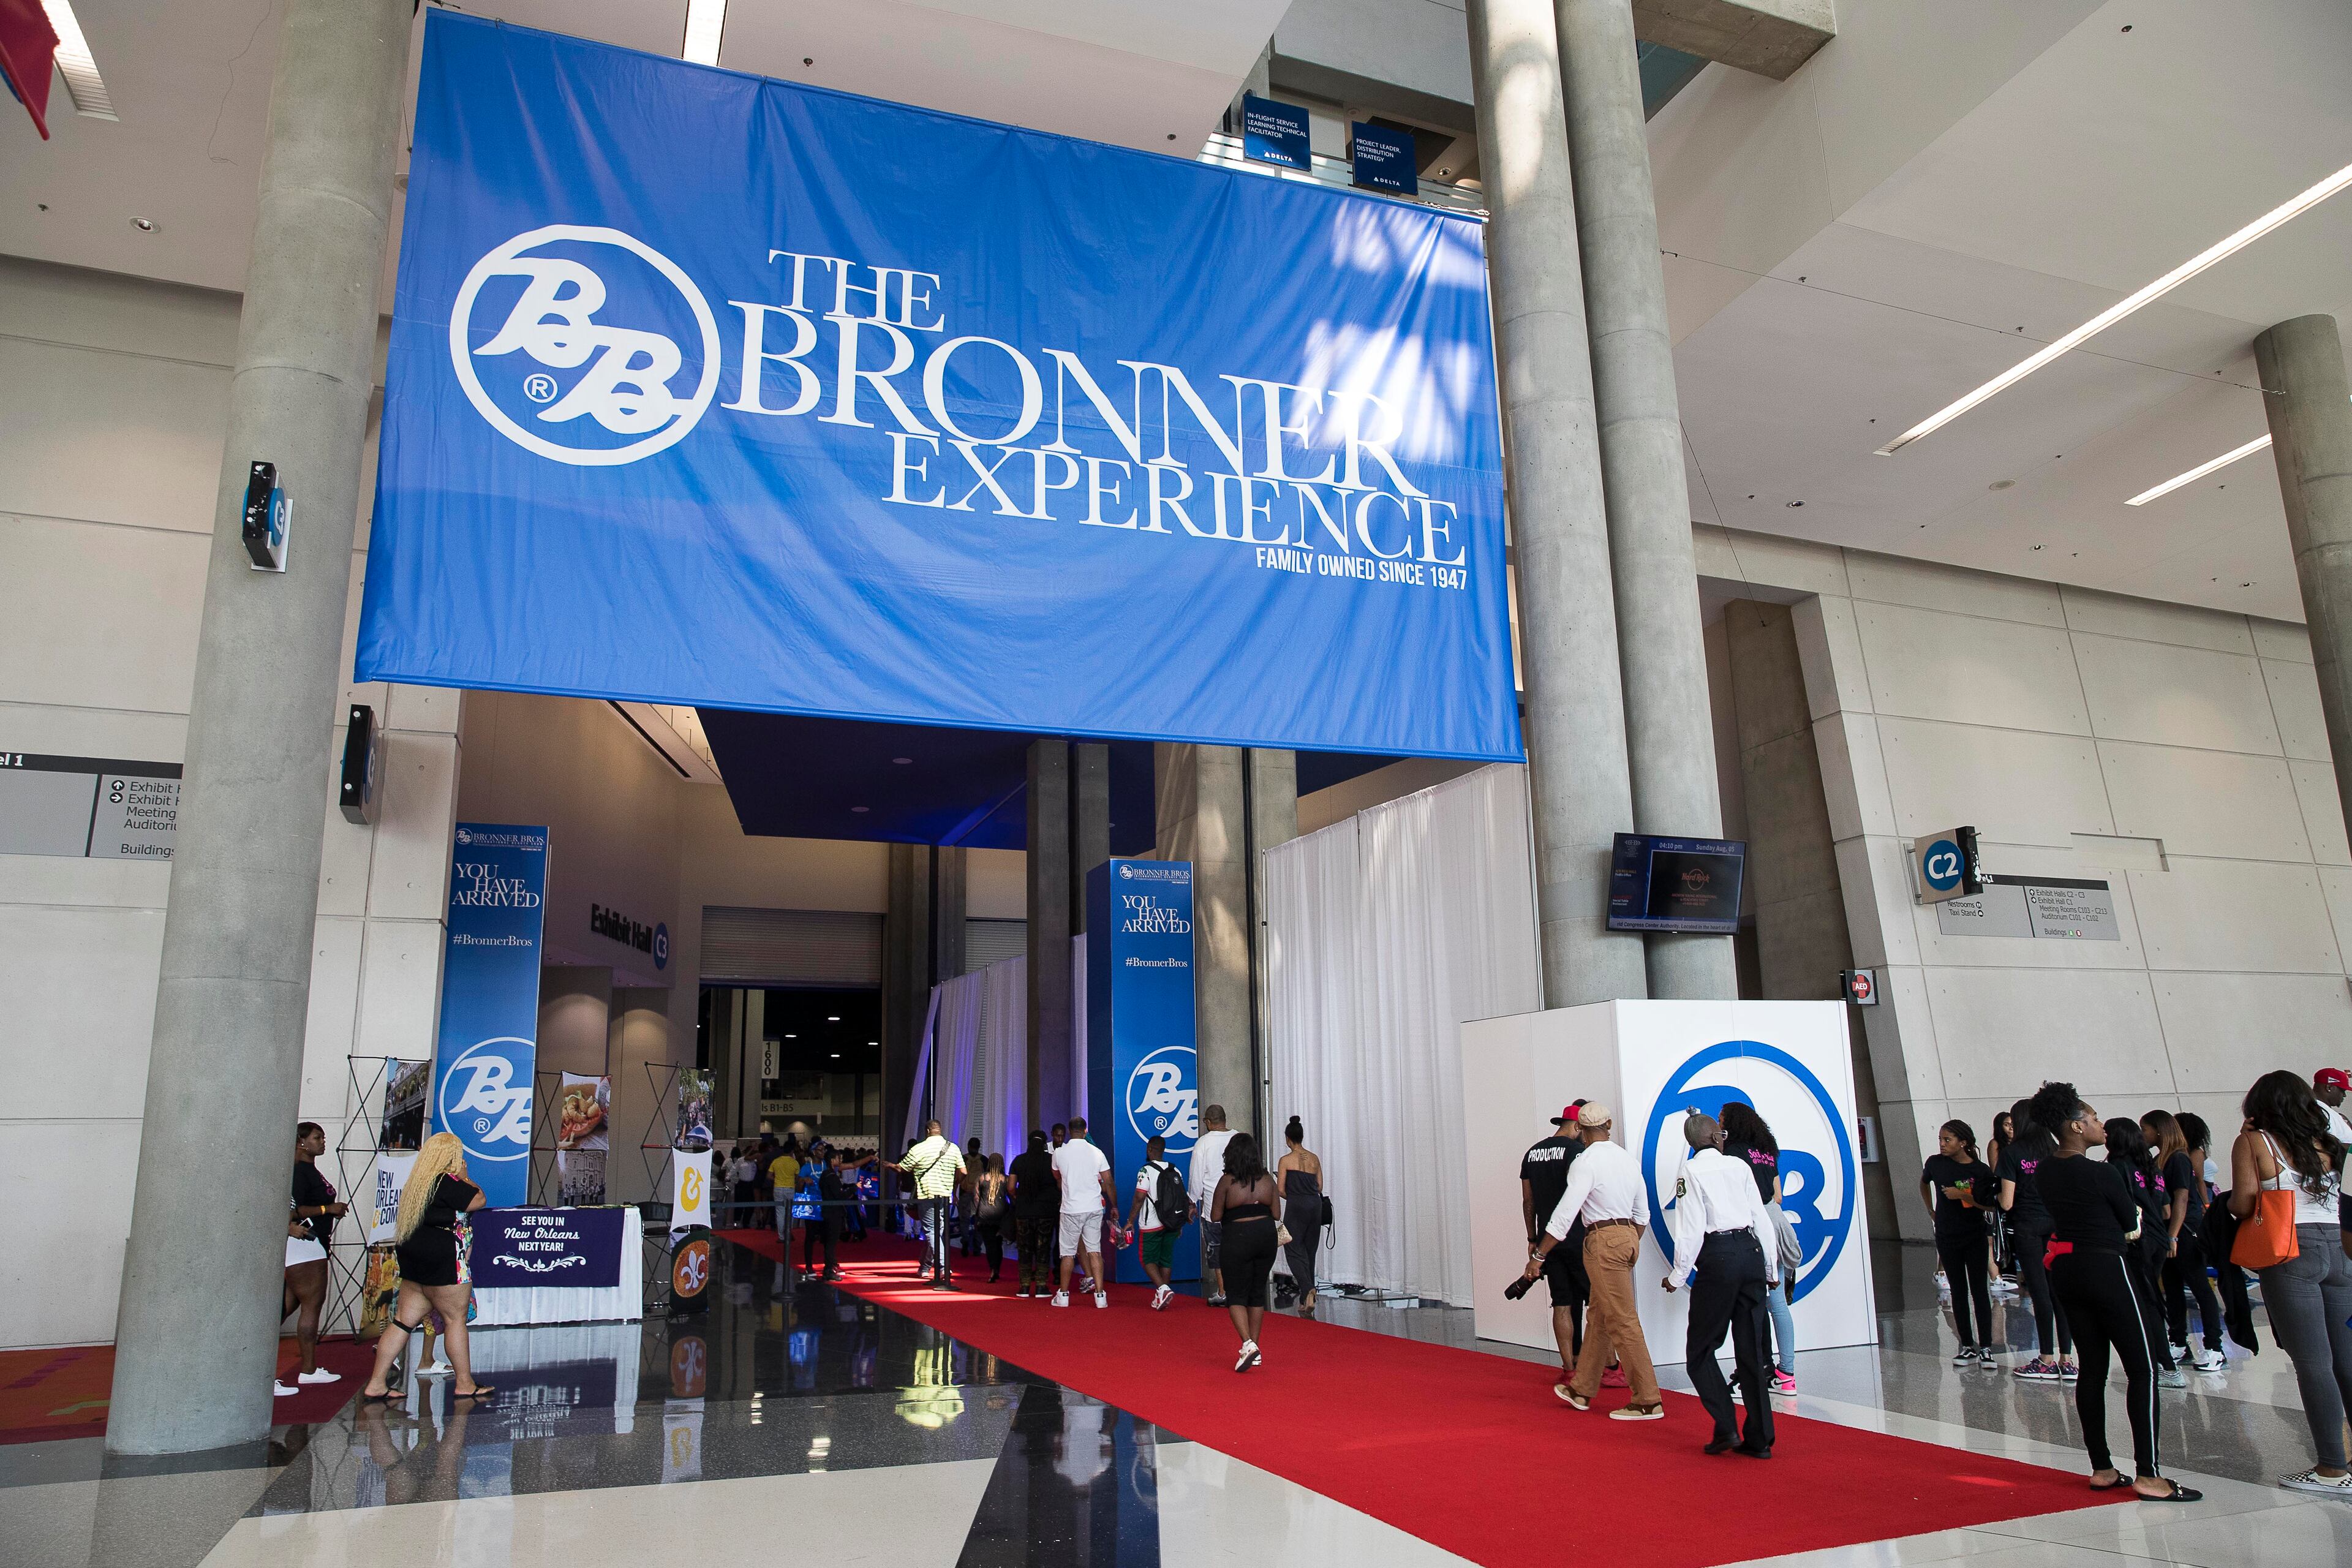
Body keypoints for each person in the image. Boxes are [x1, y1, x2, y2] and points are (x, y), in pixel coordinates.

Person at [2027, 1081, 2198, 1502]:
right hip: (2108, 1266)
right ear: (2075, 1126)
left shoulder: (2046, 1169)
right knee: (2143, 1368)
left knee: (2093, 1369)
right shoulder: (2101, 1171)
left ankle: (2102, 1467)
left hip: (2067, 1270)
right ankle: (2150, 1474)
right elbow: (2130, 1222)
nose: (2101, 1124)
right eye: (2094, 1118)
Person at [2230, 1069, 2352, 1497]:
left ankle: (2333, 1469)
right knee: (2346, 1359)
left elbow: (2243, 1202)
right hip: (2338, 1252)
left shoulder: (2254, 1143)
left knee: (2313, 1363)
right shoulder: (2332, 1144)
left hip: (2289, 1254)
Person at [1521, 1103, 1664, 1420]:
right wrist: (1628, 1240)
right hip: (1629, 1236)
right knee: (1599, 1315)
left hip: (1602, 1239)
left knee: (1623, 1320)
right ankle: (1581, 1389)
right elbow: (1643, 1212)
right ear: (1609, 1124)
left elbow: (1564, 1215)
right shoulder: (1627, 1159)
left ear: (1581, 1131)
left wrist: (1539, 1255)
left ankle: (1647, 1399)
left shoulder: (1585, 1162)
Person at [1665, 1112, 1779, 1457]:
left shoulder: (1691, 1172)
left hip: (1718, 1259)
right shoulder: (1739, 1167)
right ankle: (1760, 1441)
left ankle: (1726, 1426)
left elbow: (1690, 1228)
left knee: (1700, 1351)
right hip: (1752, 1254)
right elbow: (1761, 1218)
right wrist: (1771, 1267)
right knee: (1752, 1352)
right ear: (1717, 1137)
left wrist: (1677, 1277)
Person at [360, 1133, 494, 1404]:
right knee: (456, 1320)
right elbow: (479, 1200)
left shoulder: (418, 1183)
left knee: (402, 1322)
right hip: (445, 1258)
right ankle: (465, 1384)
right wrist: (466, 1176)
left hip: (414, 1258)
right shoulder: (448, 1181)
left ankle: (376, 1383)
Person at [1716, 1101, 1798, 1396]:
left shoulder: (1734, 1152)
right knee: (1778, 1305)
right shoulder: (1766, 1151)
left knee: (1753, 1303)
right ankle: (1786, 1374)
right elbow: (1778, 1195)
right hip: (1775, 1226)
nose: (1719, 1124)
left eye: (1722, 1119)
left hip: (1752, 1230)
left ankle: (1754, 1370)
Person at [1998, 1099, 2076, 1382]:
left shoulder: (2012, 1153)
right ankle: (2067, 1360)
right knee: (2059, 1292)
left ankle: (2045, 1359)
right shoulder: (2056, 1150)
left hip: (2028, 1226)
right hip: (2056, 1225)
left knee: (2039, 1293)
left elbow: (2007, 1203)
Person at [2141, 1109, 2226, 1373]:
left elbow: (2182, 1198)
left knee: (2200, 1286)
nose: (2143, 1134)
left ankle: (2214, 1347)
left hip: (2185, 1232)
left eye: (2145, 1129)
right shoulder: (2160, 1159)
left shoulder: (2179, 1158)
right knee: (2173, 1288)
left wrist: (2173, 1235)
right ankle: (2178, 1341)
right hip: (2167, 1232)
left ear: (2159, 1130)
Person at [1519, 1103, 1590, 1382]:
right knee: (1596, 1304)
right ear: (1577, 1126)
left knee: (1561, 1303)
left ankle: (1569, 1369)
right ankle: (1600, 1365)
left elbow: (1528, 1201)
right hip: (1577, 1238)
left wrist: (1532, 1239)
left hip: (1548, 1243)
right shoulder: (1578, 1153)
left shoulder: (1532, 1152)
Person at [277, 1121, 346, 1395]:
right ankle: (307, 1370)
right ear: (301, 1142)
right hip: (306, 1242)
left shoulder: (307, 1170)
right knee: (312, 1306)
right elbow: (292, 1210)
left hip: (309, 1243)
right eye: (318, 1137)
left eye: (323, 1137)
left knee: (285, 1309)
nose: (323, 1141)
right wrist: (327, 1208)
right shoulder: (297, 1172)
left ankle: (305, 1369)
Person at [1921, 1120, 1997, 1365]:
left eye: (1948, 1140)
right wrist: (1931, 1210)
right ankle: (1966, 1344)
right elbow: (1924, 1183)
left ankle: (1986, 1346)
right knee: (1958, 1291)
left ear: (1963, 1142)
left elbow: (1990, 1205)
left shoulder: (1980, 1171)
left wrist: (1964, 1195)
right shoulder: (1935, 1163)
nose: (1942, 1144)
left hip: (1974, 1235)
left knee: (1979, 1290)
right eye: (1940, 1140)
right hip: (1947, 1234)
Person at [1210, 1132, 1281, 1370]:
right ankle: (1256, 1349)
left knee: (1236, 1294)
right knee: (1256, 1294)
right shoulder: (1267, 1180)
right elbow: (1277, 1214)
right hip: (1265, 1237)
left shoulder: (1227, 1181)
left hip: (1237, 1238)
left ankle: (1248, 1343)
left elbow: (1215, 1216)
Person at [1052, 1116, 1118, 1307]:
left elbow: (1056, 1175)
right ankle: (1100, 1296)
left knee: (1068, 1254)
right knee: (1094, 1251)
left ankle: (1063, 1296)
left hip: (1070, 1209)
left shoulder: (1059, 1153)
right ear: (1086, 1131)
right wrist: (1114, 1207)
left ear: (1069, 1131)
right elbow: (1109, 1182)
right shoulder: (1097, 1152)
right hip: (1093, 1207)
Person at [895, 1120, 966, 1288]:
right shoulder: (953, 1147)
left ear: (927, 1131)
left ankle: (943, 1267)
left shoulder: (919, 1148)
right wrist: (953, 1186)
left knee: (932, 1233)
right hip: (944, 1196)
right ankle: (926, 1266)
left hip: (927, 1194)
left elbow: (902, 1169)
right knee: (937, 1232)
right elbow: (963, 1172)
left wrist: (891, 1166)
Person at [1124, 1134, 1182, 1308]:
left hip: (1152, 1223)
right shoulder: (1175, 1170)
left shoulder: (1145, 1170)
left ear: (1149, 1149)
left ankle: (1163, 1289)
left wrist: (1130, 1221)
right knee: (1165, 1259)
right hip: (1171, 1223)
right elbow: (1181, 1198)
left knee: (1147, 1258)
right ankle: (1162, 1294)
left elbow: (1140, 1197)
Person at [1276, 1117, 1324, 1317]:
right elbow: (1320, 1187)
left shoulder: (1285, 1161)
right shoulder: (1314, 1158)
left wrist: (1295, 1195)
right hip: (1315, 1206)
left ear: (1288, 1139)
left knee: (1292, 1248)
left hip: (1296, 1207)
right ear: (1301, 1137)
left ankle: (1308, 1288)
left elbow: (1280, 1190)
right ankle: (1306, 1299)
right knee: (1310, 1250)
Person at [1191, 1104, 1237, 1308]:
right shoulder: (1239, 1138)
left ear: (1208, 1122)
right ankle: (1239, 1290)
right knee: (1238, 1250)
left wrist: (1193, 1200)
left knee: (1217, 1250)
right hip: (1239, 1205)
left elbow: (1196, 1177)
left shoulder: (1203, 1143)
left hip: (1213, 1207)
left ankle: (1223, 1290)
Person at [1009, 1129, 1058, 1298]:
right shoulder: (1051, 1161)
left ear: (1029, 1143)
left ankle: (1023, 1286)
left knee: (1024, 1248)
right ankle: (1041, 1286)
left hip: (1023, 1211)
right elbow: (1060, 1184)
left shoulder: (1019, 1161)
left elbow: (1010, 1187)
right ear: (1045, 1144)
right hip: (1045, 1211)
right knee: (1043, 1247)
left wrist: (1018, 1198)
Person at [1985, 1110, 2018, 1296]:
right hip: (2004, 1191)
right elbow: (1996, 1170)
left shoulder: (2020, 1144)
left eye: (2013, 1124)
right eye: (2007, 1124)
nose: (2011, 1128)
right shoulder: (1996, 1144)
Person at [972, 1153, 1009, 1283]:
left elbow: (976, 1198)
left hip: (985, 1214)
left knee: (989, 1244)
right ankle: (997, 1269)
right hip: (1001, 1214)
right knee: (998, 1244)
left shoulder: (982, 1178)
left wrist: (976, 1214)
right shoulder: (1006, 1179)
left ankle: (992, 1268)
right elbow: (1012, 1195)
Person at [769, 1138, 802, 1247]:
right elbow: (797, 1178)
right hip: (790, 1188)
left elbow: (769, 1176)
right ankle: (788, 1233)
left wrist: (777, 1179)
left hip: (778, 1188)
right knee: (790, 1212)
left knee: (780, 1212)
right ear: (792, 1151)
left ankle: (781, 1236)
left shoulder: (776, 1161)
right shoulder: (795, 1163)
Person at [2313, 1068, 2352, 1146]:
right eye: (2342, 1091)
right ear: (2329, 1088)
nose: (2344, 1095)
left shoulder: (2313, 1108)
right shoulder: (2321, 1113)